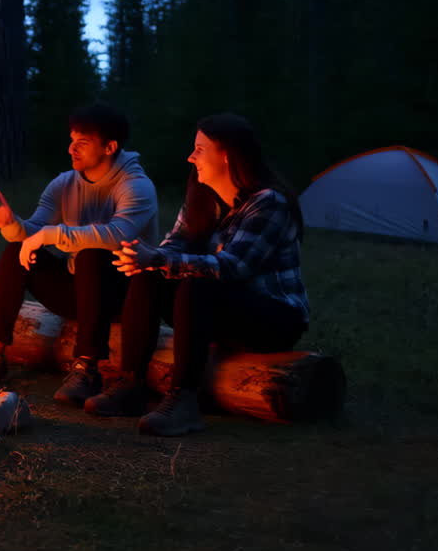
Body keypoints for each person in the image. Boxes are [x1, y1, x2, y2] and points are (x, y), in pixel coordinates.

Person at [90, 112, 309, 436]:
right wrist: (145, 259)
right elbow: (171, 248)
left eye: (200, 149)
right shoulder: (202, 198)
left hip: (273, 318)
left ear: (226, 155)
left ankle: (184, 400)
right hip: (218, 309)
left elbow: (234, 267)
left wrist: (159, 259)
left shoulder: (268, 203)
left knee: (197, 284)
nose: (191, 157)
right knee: (149, 275)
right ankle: (131, 385)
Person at [0, 103, 158, 406]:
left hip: (126, 298)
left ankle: (87, 368)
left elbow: (118, 234)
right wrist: (12, 225)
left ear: (109, 147)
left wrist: (51, 235)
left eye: (82, 142)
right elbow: (35, 231)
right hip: (78, 293)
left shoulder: (136, 186)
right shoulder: (64, 184)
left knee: (92, 255)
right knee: (17, 247)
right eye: (71, 140)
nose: (72, 149)